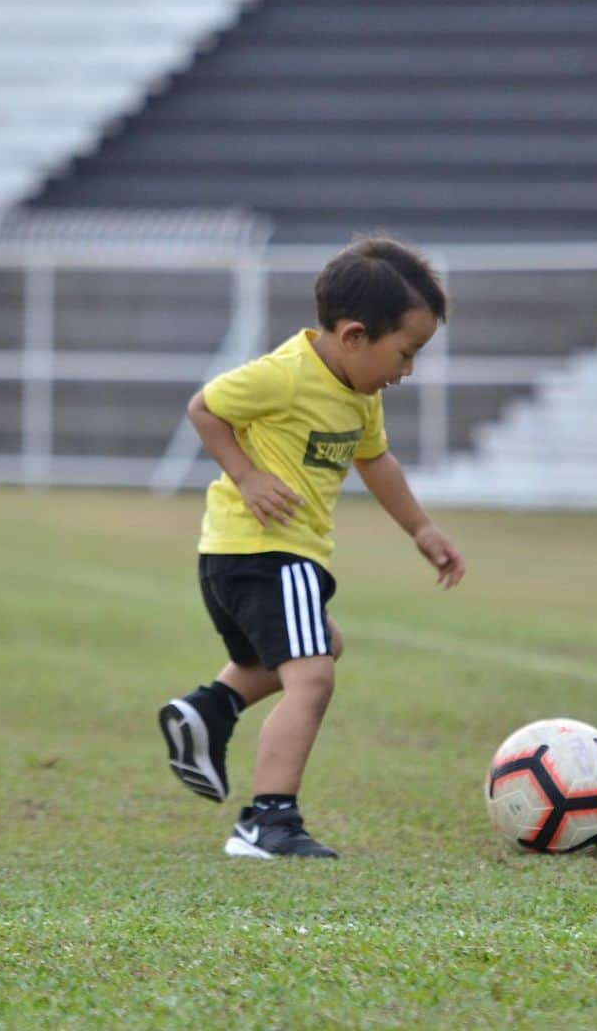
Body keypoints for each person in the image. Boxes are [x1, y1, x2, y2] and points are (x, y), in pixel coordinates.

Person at [158, 235, 466, 860]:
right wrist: (246, 476)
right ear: (354, 336)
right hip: (267, 551)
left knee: (322, 646)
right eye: (406, 354)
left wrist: (422, 529)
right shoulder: (285, 375)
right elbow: (205, 408)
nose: (407, 371)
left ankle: (210, 709)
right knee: (314, 676)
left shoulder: (360, 395)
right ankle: (268, 822)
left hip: (247, 557)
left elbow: (376, 463)